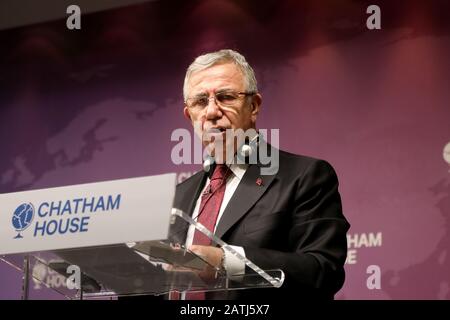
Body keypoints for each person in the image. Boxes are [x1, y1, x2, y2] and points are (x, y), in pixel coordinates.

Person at [170, 49, 350, 300]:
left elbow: (323, 271)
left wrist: (226, 261)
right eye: (200, 102)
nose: (211, 112)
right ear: (190, 116)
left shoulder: (304, 177)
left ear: (253, 106)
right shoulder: (177, 196)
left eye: (225, 97)